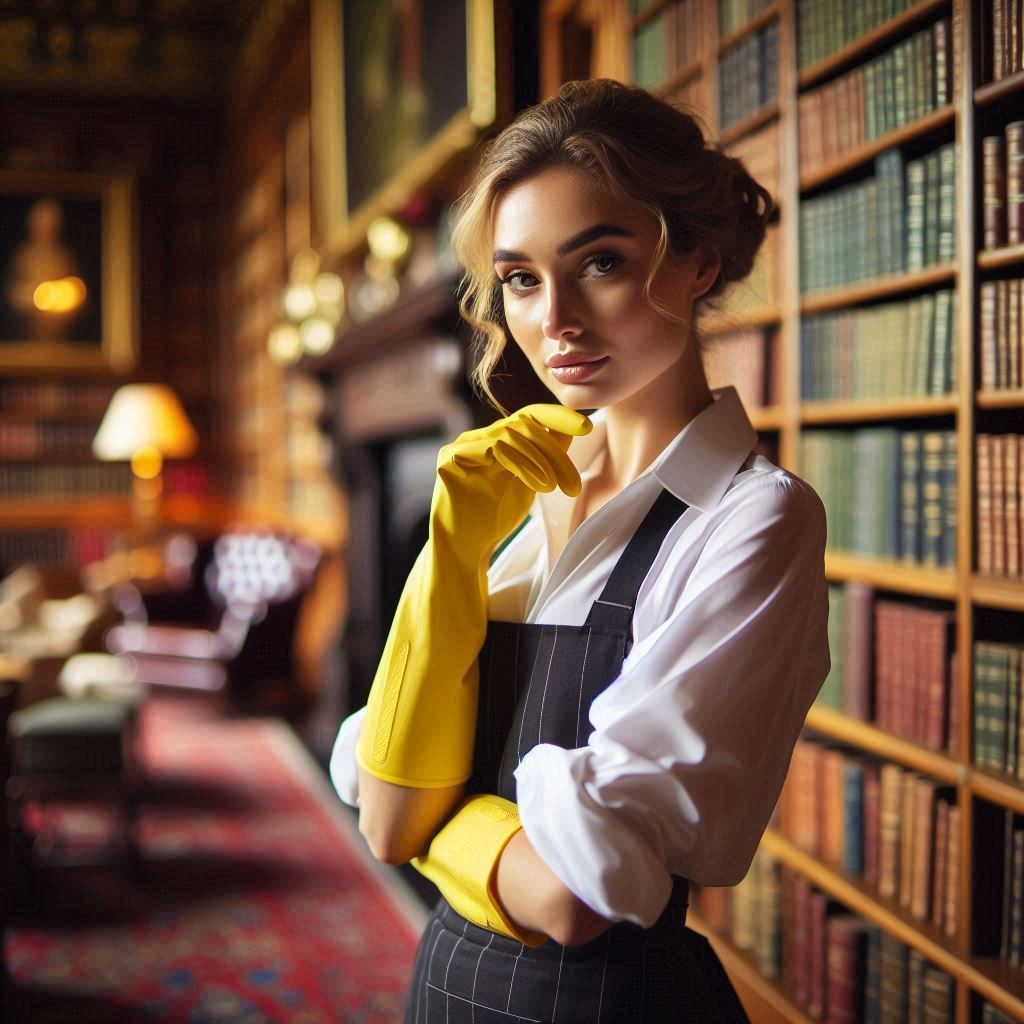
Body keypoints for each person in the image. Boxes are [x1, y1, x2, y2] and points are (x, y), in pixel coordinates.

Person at [330, 78, 830, 1022]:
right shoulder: (506, 500)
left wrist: (429, 820)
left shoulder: (751, 521)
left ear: (696, 262)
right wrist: (449, 551)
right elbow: (377, 788)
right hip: (442, 994)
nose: (553, 318)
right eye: (520, 277)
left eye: (598, 262)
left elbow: (573, 890)